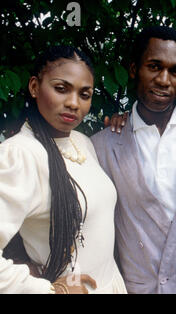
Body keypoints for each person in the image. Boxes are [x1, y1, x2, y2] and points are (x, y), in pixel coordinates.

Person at [90, 25, 176, 293]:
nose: (164, 80)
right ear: (134, 69)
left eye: (175, 71)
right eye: (154, 66)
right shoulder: (102, 145)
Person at [0, 45, 127, 293]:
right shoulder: (21, 154)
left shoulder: (82, 142)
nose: (73, 103)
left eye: (85, 94)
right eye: (61, 89)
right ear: (35, 87)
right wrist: (44, 289)